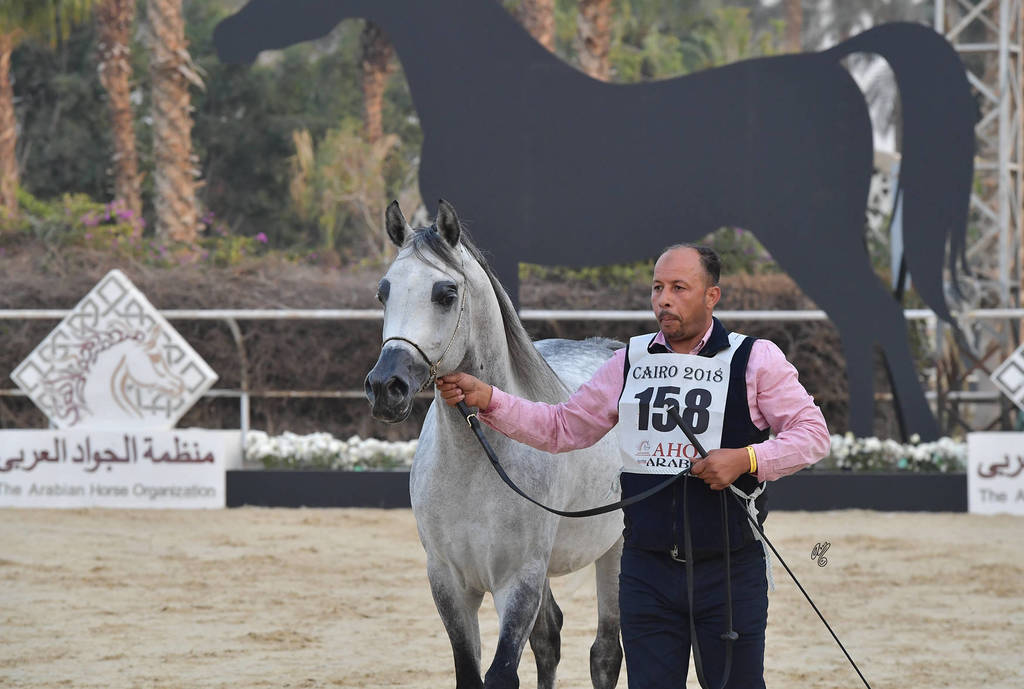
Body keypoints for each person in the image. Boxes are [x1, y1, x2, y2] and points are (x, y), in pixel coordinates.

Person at [437, 244, 830, 689]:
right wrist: (488, 398)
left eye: (679, 288)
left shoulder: (756, 360)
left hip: (728, 571)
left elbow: (812, 435)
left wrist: (748, 458)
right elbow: (563, 427)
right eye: (658, 287)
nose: (663, 299)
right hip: (647, 573)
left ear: (711, 296)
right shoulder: (629, 362)